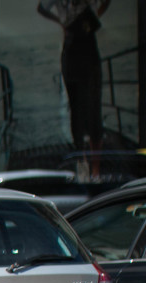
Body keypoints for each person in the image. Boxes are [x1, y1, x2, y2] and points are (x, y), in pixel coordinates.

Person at [38, 0, 111, 175]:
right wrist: (60, 21)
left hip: (87, 43)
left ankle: (95, 169)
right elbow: (41, 8)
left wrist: (95, 15)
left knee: (93, 109)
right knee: (76, 110)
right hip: (71, 46)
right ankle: (82, 162)